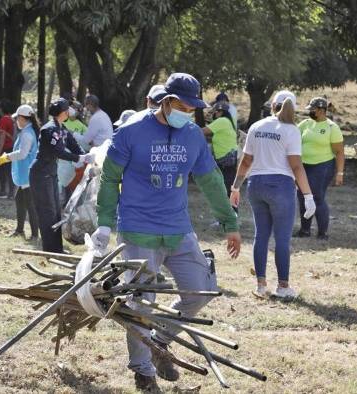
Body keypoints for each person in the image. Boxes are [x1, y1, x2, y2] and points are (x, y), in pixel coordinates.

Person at [90, 73, 241, 391]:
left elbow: (211, 179)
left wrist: (230, 223)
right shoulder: (131, 131)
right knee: (142, 301)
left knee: (200, 291)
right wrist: (104, 223)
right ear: (166, 101)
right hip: (138, 230)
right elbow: (109, 178)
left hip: (178, 228)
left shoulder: (192, 135)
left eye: (192, 107)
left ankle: (159, 340)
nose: (188, 112)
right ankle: (143, 369)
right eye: (183, 105)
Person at [229, 91, 315, 299]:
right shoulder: (291, 130)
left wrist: (235, 187)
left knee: (261, 236)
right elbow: (296, 165)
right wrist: (308, 195)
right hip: (281, 186)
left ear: (272, 105)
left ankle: (260, 285)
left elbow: (246, 161)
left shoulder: (256, 127)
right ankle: (283, 286)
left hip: (256, 185)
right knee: (282, 239)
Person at [30, 98, 92, 253]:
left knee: (56, 210)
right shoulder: (49, 129)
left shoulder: (62, 128)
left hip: (51, 172)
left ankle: (56, 247)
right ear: (63, 112)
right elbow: (57, 151)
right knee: (47, 211)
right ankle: (50, 248)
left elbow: (74, 145)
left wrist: (88, 156)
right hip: (40, 173)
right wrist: (79, 159)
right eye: (68, 109)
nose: (70, 111)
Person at [295, 97, 344, 240]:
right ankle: (305, 230)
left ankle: (322, 233)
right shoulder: (304, 124)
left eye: (313, 109)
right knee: (303, 196)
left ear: (322, 110)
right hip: (304, 166)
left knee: (317, 197)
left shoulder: (331, 127)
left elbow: (340, 152)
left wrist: (340, 172)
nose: (310, 112)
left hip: (323, 166)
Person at [0, 105, 40, 239]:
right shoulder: (29, 131)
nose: (16, 122)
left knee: (30, 206)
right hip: (26, 173)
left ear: (22, 118)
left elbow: (22, 154)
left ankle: (34, 235)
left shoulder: (27, 133)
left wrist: (6, 157)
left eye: (17, 119)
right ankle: (20, 230)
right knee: (19, 201)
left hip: (28, 174)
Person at [202, 102, 239, 197]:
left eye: (216, 112)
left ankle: (229, 210)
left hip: (225, 159)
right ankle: (232, 210)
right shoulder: (229, 122)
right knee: (228, 187)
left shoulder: (222, 121)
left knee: (225, 189)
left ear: (221, 112)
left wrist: (188, 129)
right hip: (229, 159)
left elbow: (203, 131)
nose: (214, 114)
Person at [0, 99, 15, 199]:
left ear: (2, 108)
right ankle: (10, 192)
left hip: (5, 148)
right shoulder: (10, 119)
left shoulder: (3, 120)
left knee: (3, 169)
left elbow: (2, 137)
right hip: (11, 147)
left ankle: (4, 191)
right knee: (8, 170)